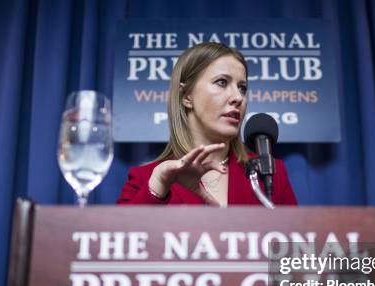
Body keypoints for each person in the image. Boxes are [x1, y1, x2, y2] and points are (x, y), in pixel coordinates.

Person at [117, 42, 297, 207]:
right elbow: (115, 241)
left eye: (242, 87)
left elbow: (305, 243)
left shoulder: (270, 174)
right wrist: (160, 184)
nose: (238, 97)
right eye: (222, 82)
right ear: (187, 96)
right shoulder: (146, 178)